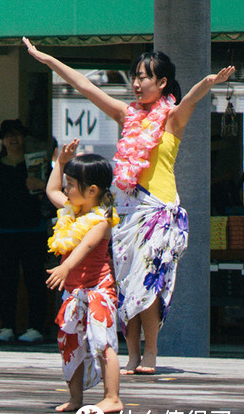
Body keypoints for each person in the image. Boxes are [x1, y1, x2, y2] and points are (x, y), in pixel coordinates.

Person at [24, 38, 233, 374]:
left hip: (158, 212)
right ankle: (132, 354)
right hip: (126, 212)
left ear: (162, 83)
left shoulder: (171, 119)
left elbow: (190, 99)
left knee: (146, 283)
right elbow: (86, 86)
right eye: (134, 76)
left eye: (144, 77)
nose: (136, 84)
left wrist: (208, 83)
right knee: (126, 285)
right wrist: (47, 59)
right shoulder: (126, 114)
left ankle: (150, 353)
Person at [45, 139, 123, 414]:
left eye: (71, 185)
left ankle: (112, 397)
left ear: (91, 191)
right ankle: (76, 398)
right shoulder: (71, 210)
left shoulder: (101, 221)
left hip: (98, 290)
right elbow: (50, 189)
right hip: (74, 292)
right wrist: (61, 162)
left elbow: (86, 246)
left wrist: (65, 268)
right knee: (71, 343)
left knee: (103, 343)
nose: (65, 190)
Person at [0, 119, 49, 344]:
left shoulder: (38, 165)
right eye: (8, 135)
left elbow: (56, 194)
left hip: (34, 229)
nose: (13, 139)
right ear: (2, 139)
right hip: (3, 231)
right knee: (6, 280)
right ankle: (6, 326)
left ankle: (36, 326)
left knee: (34, 279)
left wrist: (41, 185)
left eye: (17, 134)